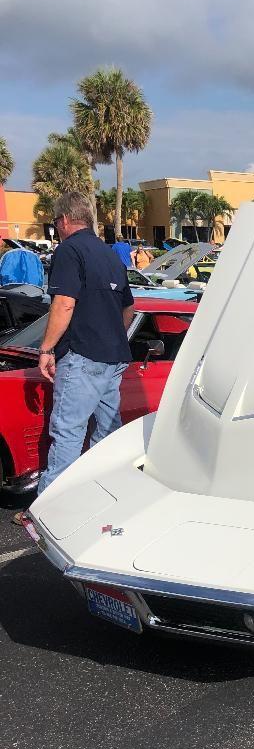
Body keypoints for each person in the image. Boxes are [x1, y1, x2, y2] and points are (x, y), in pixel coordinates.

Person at [13, 191, 134, 521]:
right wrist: (110, 338)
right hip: (114, 357)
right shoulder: (110, 255)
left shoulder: (69, 250)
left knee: (67, 431)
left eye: (55, 223)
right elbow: (128, 308)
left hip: (83, 356)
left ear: (64, 220)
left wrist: (46, 348)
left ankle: (45, 511)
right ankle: (102, 495)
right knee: (106, 432)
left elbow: (64, 304)